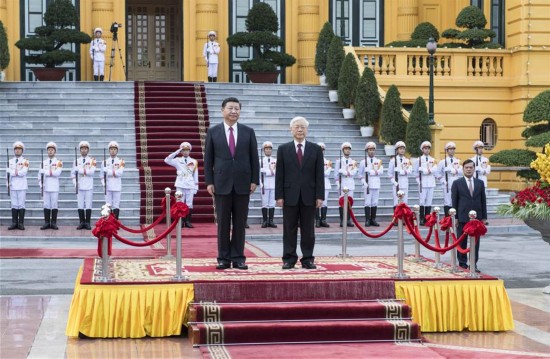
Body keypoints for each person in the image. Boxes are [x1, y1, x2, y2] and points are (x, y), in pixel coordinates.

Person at [204, 97, 259, 270]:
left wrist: (254, 180)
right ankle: (223, 258)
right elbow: (208, 160)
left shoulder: (248, 131)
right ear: (222, 111)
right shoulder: (213, 132)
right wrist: (209, 182)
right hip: (221, 183)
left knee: (240, 223)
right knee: (223, 223)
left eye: (236, 108)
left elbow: (254, 158)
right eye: (230, 108)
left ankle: (238, 257)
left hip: (243, 184)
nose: (233, 111)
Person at [275, 117, 324, 269]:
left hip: (309, 195)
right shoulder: (283, 149)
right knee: (289, 228)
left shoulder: (315, 149)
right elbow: (280, 175)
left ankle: (308, 258)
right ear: (291, 130)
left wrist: (320, 196)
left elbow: (319, 174)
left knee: (308, 229)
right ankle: (289, 259)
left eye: (303, 127)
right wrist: (279, 195)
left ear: (307, 130)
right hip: (289, 195)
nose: (300, 129)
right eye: (297, 127)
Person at [451, 159, 487, 272]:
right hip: (462, 217)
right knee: (461, 241)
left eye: (471, 167)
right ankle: (462, 264)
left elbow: (483, 200)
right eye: (466, 167)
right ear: (463, 169)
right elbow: (454, 201)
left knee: (475, 243)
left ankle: (473, 264)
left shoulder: (480, 183)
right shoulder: (457, 183)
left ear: (474, 169)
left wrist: (484, 217)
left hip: (477, 218)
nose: (469, 169)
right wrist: (455, 217)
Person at [164, 142, 198, 228]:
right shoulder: (177, 160)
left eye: (187, 150)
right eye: (183, 150)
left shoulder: (194, 161)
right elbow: (167, 160)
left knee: (189, 203)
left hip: (190, 184)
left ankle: (188, 221)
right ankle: (180, 221)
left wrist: (196, 187)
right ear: (181, 151)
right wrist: (176, 152)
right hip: (180, 183)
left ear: (190, 151)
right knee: (180, 202)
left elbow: (195, 175)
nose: (185, 152)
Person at [358, 141, 384, 227]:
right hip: (367, 184)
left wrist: (370, 171)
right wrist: (363, 183)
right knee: (367, 202)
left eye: (373, 150)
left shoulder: (379, 161)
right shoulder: (363, 162)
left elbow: (381, 171)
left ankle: (373, 219)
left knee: (375, 202)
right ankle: (367, 220)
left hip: (376, 183)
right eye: (370, 150)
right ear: (367, 151)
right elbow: (360, 174)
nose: (372, 151)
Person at [72, 141, 96, 230]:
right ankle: (81, 222)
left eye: (85, 149)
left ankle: (88, 222)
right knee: (80, 204)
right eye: (82, 149)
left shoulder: (92, 160)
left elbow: (92, 172)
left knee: (88, 204)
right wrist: (75, 182)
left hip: (89, 185)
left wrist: (81, 170)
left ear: (88, 150)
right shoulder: (76, 161)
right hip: (79, 185)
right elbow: (72, 174)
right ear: (80, 150)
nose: (84, 150)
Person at [38, 142, 63, 230]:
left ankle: (54, 223)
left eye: (52, 150)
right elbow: (39, 176)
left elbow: (57, 173)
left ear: (55, 151)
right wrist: (41, 185)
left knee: (54, 204)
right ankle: (47, 222)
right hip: (45, 186)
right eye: (49, 150)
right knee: (46, 205)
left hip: (54, 186)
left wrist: (46, 172)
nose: (50, 151)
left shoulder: (59, 162)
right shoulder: (43, 162)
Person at [413, 141, 437, 225]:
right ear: (422, 150)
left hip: (431, 182)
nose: (427, 150)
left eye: (428, 148)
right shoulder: (419, 160)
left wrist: (426, 170)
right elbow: (415, 172)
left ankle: (427, 217)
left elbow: (435, 169)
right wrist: (418, 181)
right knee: (422, 201)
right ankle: (422, 218)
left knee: (429, 201)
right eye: (425, 148)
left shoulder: (433, 160)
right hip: (422, 182)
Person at [334, 142, 357, 227]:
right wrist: (337, 183)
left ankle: (348, 220)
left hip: (350, 182)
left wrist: (345, 172)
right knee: (341, 202)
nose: (347, 150)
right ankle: (342, 220)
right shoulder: (339, 161)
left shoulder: (353, 161)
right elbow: (336, 174)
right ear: (343, 150)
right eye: (346, 149)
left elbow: (354, 172)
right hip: (342, 183)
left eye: (349, 149)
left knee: (349, 202)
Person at [7, 141, 29, 230]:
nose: (17, 151)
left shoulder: (25, 161)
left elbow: (24, 172)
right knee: (14, 204)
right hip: (12, 185)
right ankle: (14, 222)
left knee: (21, 204)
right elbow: (7, 174)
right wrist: (7, 184)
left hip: (22, 185)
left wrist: (13, 172)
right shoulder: (10, 161)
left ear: (22, 150)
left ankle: (21, 223)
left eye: (19, 149)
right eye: (16, 149)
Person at [387, 141, 412, 218]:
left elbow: (410, 171)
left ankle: (404, 218)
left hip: (404, 182)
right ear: (397, 150)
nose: (402, 150)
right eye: (400, 149)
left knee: (404, 201)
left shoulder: (407, 161)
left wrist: (401, 171)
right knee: (396, 202)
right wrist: (394, 182)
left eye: (403, 149)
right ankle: (396, 218)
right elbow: (389, 174)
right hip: (396, 183)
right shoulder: (392, 161)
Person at [437, 142, 462, 216]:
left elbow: (461, 171)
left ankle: (454, 217)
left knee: (455, 200)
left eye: (453, 149)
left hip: (456, 181)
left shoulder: (458, 161)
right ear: (447, 151)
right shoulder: (442, 162)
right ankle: (447, 218)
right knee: (447, 201)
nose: (452, 151)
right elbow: (437, 173)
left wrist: (452, 170)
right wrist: (442, 180)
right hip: (447, 183)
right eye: (450, 149)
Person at [102, 141, 125, 220]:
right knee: (108, 204)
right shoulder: (104, 162)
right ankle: (108, 222)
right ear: (109, 150)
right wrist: (103, 184)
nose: (113, 151)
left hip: (116, 186)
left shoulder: (121, 161)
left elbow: (120, 173)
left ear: (117, 150)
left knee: (116, 204)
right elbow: (101, 175)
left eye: (115, 149)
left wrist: (108, 172)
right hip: (107, 186)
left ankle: (115, 222)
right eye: (111, 149)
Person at [260, 141, 277, 228]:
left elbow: (276, 172)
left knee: (272, 203)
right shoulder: (260, 161)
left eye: (270, 149)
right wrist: (261, 184)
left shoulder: (275, 160)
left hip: (273, 184)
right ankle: (264, 221)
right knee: (264, 203)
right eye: (266, 149)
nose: (268, 151)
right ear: (264, 150)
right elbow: (259, 173)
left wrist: (266, 171)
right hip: (264, 185)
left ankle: (271, 221)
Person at [316, 142, 331, 228]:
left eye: (322, 150)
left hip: (325, 183)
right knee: (317, 203)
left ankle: (323, 220)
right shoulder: (312, 161)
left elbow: (327, 173)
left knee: (324, 203)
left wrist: (320, 173)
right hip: (316, 184)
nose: (321, 151)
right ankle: (317, 220)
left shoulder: (328, 162)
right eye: (319, 150)